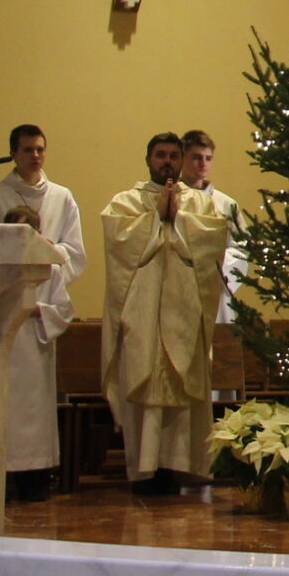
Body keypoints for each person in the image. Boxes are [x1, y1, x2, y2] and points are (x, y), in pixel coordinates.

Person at [99, 132, 231, 494]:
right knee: (142, 383)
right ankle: (143, 470)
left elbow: (213, 244)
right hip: (141, 314)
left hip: (183, 313)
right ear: (148, 159)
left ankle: (179, 467)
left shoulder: (200, 204)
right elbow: (117, 244)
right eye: (160, 155)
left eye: (174, 155)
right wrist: (155, 218)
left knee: (181, 386)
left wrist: (180, 220)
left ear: (182, 159)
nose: (167, 162)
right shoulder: (125, 202)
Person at [0, 125, 86, 503]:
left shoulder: (62, 197)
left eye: (40, 149)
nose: (35, 156)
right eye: (27, 150)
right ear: (13, 154)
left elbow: (75, 253)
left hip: (36, 316)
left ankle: (35, 474)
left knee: (33, 405)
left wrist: (48, 252)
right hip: (1, 313)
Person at [179, 130, 248, 326]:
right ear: (182, 158)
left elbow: (242, 248)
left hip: (214, 287)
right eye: (196, 157)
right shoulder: (170, 200)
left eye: (208, 158)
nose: (203, 163)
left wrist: (214, 268)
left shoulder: (226, 204)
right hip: (179, 289)